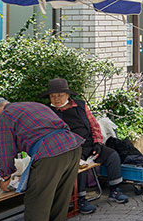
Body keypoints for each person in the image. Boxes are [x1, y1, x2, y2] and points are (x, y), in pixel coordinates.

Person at [0, 97, 83, 221]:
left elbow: (6, 151)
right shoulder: (32, 104)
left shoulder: (3, 118)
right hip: (72, 146)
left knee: (37, 199)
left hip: (49, 151)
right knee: (60, 195)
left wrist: (5, 175)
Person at [46, 78, 129, 210]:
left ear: (67, 95)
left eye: (60, 95)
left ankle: (115, 190)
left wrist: (97, 142)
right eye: (52, 96)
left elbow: (94, 125)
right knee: (80, 164)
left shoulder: (80, 105)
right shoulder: (49, 112)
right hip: (71, 149)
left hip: (89, 144)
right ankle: (80, 200)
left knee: (112, 155)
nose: (56, 99)